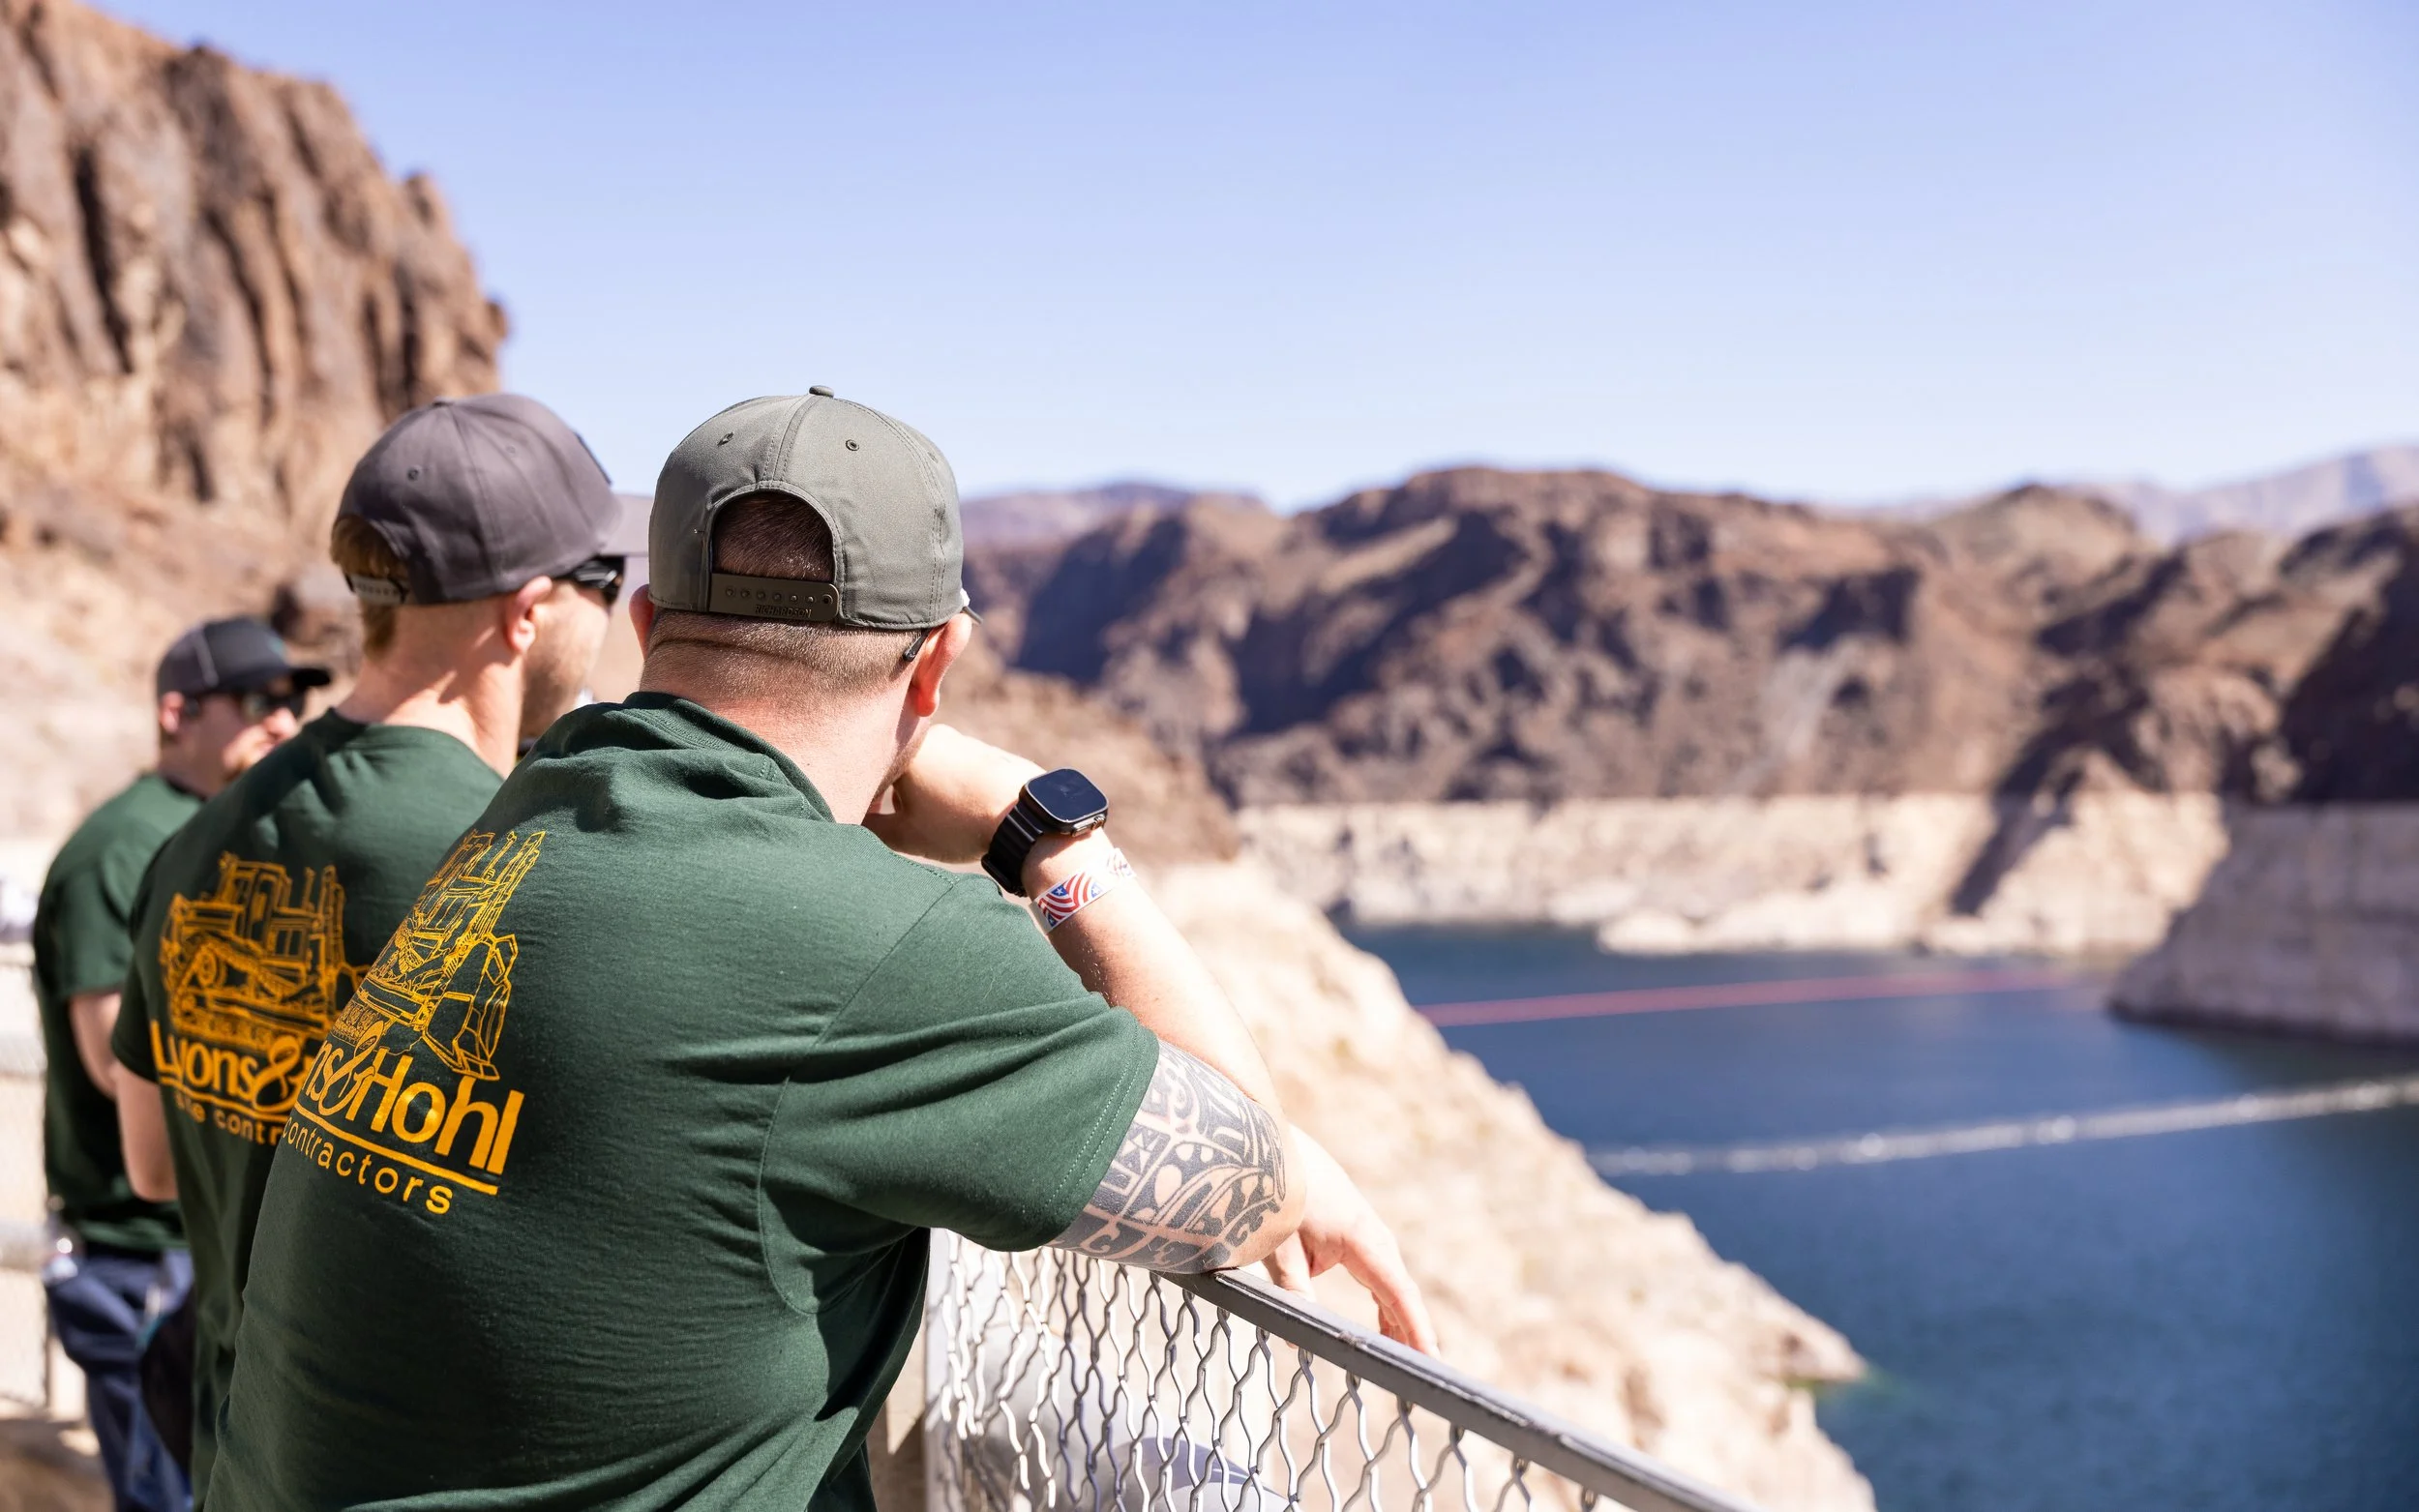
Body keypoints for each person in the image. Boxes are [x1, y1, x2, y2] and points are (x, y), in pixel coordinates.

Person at [208, 390, 1431, 1511]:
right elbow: (1245, 1174)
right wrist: (1046, 836)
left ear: (647, 620)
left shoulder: (526, 815)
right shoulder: (879, 944)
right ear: (937, 660)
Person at [108, 394, 625, 1506]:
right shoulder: (521, 859)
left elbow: (151, 1169)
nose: (611, 616)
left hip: (235, 1460)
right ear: (527, 612)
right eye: (606, 583)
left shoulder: (193, 840)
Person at [32, 617, 324, 1512]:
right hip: (141, 1257)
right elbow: (111, 1060)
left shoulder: (229, 829)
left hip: (204, 1250)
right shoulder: (123, 847)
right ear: (176, 712)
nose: (283, 720)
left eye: (293, 701)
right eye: (256, 701)